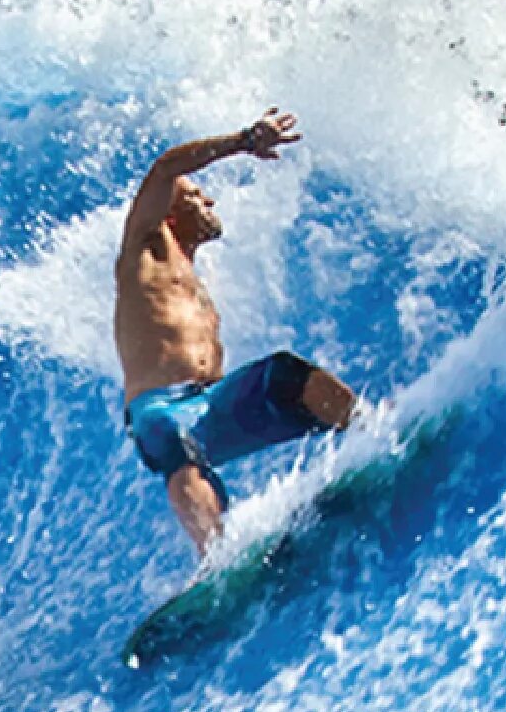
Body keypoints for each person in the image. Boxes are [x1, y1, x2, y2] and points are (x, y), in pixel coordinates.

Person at [115, 108, 356, 552]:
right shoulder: (143, 250)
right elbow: (167, 167)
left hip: (212, 403)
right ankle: (217, 555)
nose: (208, 202)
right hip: (161, 410)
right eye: (197, 196)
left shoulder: (190, 276)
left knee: (286, 375)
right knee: (176, 443)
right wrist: (242, 141)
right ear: (168, 214)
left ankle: (368, 435)